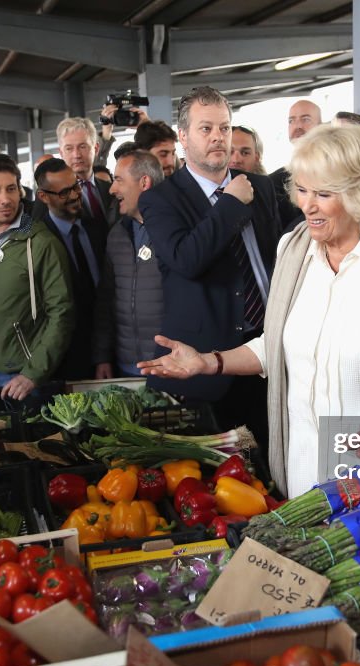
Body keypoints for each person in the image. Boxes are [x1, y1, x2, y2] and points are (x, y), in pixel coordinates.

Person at [139, 124, 360, 550]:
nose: (307, 205)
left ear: (359, 192)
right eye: (301, 190)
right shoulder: (294, 251)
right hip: (302, 477)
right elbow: (276, 343)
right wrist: (208, 361)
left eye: (323, 194)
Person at [137, 86, 281, 478]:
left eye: (224, 127)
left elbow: (275, 260)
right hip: (202, 364)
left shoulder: (261, 188)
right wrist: (231, 204)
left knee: (271, 471)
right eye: (206, 129)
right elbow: (187, 260)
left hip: (265, 353)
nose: (218, 137)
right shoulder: (160, 200)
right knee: (217, 484)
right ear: (183, 137)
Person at [0, 153, 74, 403]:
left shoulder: (40, 242)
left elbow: (62, 313)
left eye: (11, 189)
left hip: (24, 378)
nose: (5, 199)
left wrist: (34, 373)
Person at [93, 149, 165, 379]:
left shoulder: (174, 232)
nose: (112, 190)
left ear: (144, 182)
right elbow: (106, 300)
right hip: (126, 366)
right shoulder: (117, 235)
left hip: (169, 365)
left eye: (119, 180)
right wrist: (102, 356)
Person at [35, 158, 105, 381]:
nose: (75, 195)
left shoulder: (99, 228)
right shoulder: (38, 241)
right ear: (43, 196)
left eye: (76, 186)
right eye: (64, 192)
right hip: (64, 358)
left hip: (105, 348)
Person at [270, 100, 322, 230]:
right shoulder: (274, 181)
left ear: (321, 126)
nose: (297, 126)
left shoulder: (333, 172)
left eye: (305, 119)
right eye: (291, 121)